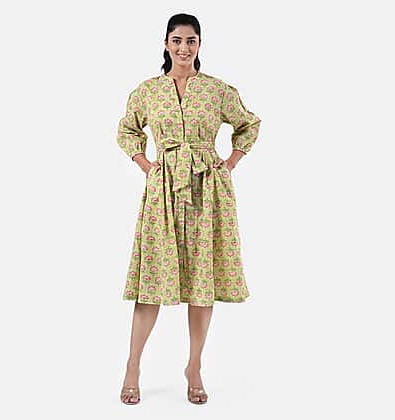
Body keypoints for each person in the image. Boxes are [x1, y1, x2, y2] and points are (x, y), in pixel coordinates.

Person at [116, 13, 262, 405]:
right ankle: (132, 367)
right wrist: (145, 164)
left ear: (199, 44)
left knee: (201, 282)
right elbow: (127, 128)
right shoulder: (148, 91)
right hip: (163, 190)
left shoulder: (217, 90)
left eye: (191, 41)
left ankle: (194, 367)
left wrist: (230, 162)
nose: (184, 48)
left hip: (207, 191)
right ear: (166, 44)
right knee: (151, 282)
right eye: (177, 40)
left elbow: (248, 124)